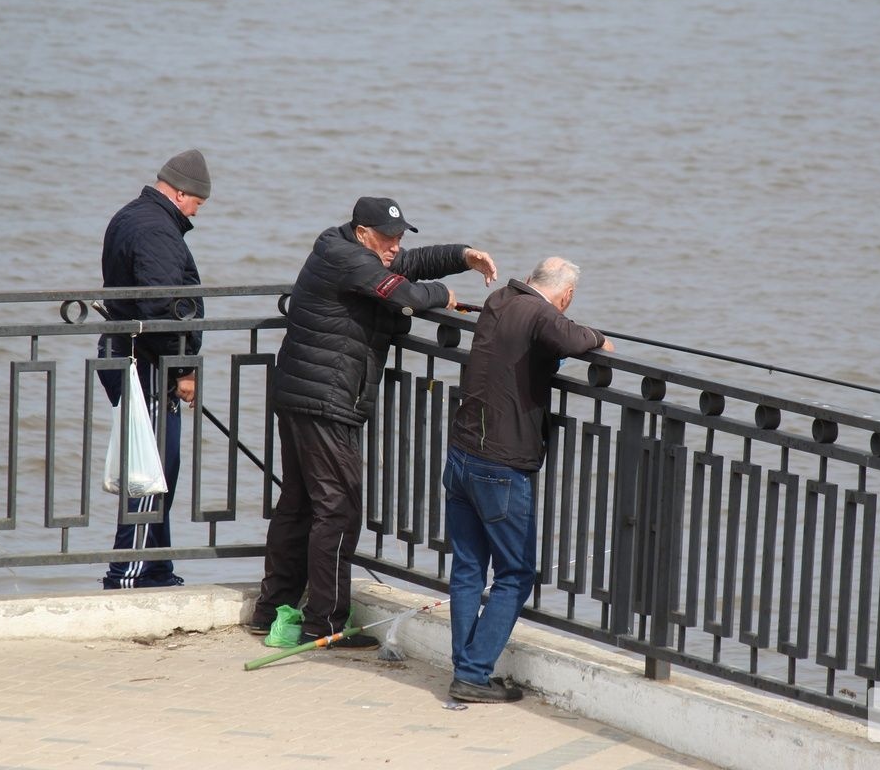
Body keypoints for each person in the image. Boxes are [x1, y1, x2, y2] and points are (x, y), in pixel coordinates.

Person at [250, 197, 498, 647]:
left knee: (300, 503)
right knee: (338, 510)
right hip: (326, 399)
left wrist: (462, 256)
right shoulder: (348, 258)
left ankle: (270, 611)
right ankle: (324, 624)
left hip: (304, 391)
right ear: (363, 231)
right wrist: (443, 295)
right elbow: (404, 291)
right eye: (387, 237)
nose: (395, 246)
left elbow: (411, 264)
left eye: (400, 236)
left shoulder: (350, 248)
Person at [443, 257, 613, 703]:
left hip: (461, 454)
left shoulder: (502, 300)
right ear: (566, 294)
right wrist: (597, 337)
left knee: (467, 567)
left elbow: (546, 338)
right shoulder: (542, 314)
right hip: (500, 464)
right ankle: (473, 673)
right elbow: (571, 337)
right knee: (516, 573)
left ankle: (466, 667)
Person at [97, 149, 210, 589]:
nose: (198, 211)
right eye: (198, 203)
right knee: (151, 470)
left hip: (127, 353)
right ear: (181, 193)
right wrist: (183, 368)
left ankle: (156, 565)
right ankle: (128, 571)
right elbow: (163, 309)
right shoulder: (158, 231)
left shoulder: (133, 216)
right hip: (145, 363)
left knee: (159, 464)